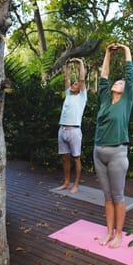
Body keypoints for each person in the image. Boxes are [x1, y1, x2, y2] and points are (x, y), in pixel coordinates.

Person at [93, 43, 133, 248]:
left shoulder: (126, 100)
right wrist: (108, 54)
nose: (117, 83)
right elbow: (104, 76)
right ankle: (108, 232)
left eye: (121, 82)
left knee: (118, 196)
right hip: (98, 152)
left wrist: (126, 49)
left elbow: (129, 75)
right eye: (116, 81)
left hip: (117, 153)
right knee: (107, 196)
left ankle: (119, 234)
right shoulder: (105, 100)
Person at [56, 58, 87, 194]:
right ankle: (66, 182)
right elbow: (66, 78)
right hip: (62, 130)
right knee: (65, 157)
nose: (74, 84)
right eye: (73, 84)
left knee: (76, 158)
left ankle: (76, 184)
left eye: (77, 84)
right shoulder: (68, 94)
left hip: (74, 130)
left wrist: (80, 62)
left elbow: (81, 79)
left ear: (80, 87)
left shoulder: (82, 97)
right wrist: (67, 65)